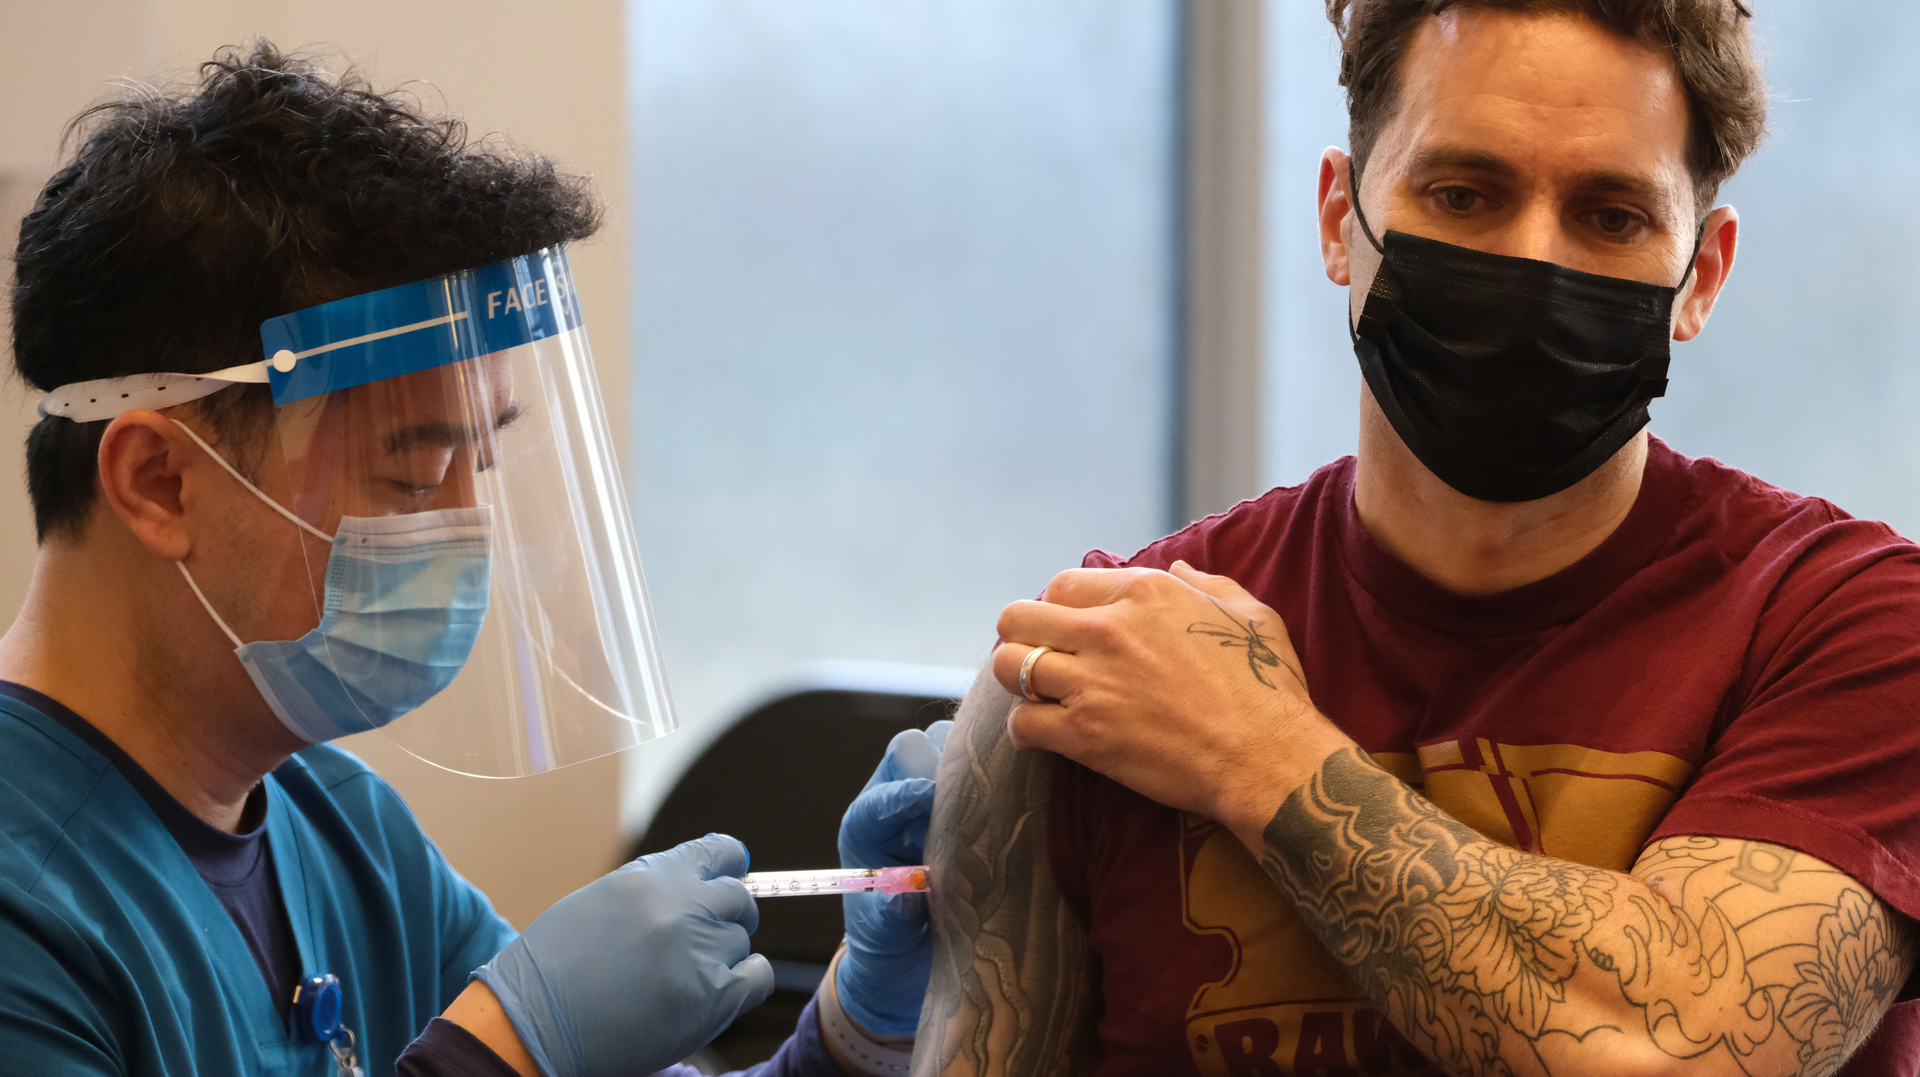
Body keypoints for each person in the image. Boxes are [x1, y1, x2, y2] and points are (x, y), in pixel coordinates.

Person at [916, 3, 1920, 1077]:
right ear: (1338, 219)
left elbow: (1680, 1047)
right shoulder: (1107, 662)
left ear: (1702, 276)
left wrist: (1254, 750)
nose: (1533, 261)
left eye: (1612, 215)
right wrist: (844, 1027)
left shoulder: (1847, 628)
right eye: (1463, 195)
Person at [0, 45, 941, 1077]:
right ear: (158, 483)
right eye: (413, 476)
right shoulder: (27, 904)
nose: (464, 527)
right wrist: (503, 1056)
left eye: (479, 462)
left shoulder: (344, 831)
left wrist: (857, 1031)